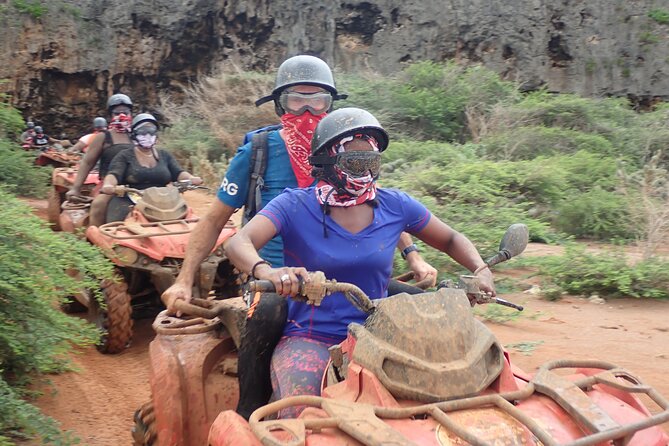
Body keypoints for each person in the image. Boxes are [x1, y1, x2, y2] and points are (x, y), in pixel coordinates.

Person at [161, 55, 437, 420]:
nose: (308, 110)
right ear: (280, 104)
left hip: (345, 278)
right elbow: (215, 221)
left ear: (331, 104)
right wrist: (184, 280)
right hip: (277, 280)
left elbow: (377, 207)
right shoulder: (258, 152)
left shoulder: (347, 151)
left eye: (317, 100)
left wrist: (413, 254)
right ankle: (252, 413)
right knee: (267, 315)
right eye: (297, 99)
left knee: (424, 306)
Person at [222, 108, 496, 418]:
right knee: (304, 415)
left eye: (371, 161)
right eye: (353, 161)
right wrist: (267, 270)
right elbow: (238, 242)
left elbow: (451, 239)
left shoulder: (395, 204)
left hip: (383, 338)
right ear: (327, 160)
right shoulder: (294, 204)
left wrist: (481, 269)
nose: (363, 170)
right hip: (312, 339)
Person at [100, 113, 202, 223]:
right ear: (134, 135)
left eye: (151, 132)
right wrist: (109, 185)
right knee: (117, 225)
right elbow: (114, 174)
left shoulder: (164, 155)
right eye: (143, 132)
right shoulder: (124, 156)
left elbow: (178, 173)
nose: (148, 136)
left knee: (188, 219)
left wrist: (191, 179)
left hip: (165, 200)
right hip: (131, 199)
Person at [66, 94, 135, 226]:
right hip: (110, 186)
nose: (122, 115)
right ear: (110, 115)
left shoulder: (138, 136)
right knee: (98, 205)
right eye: (117, 113)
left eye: (125, 112)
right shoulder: (103, 137)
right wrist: (76, 188)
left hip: (137, 186)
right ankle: (94, 239)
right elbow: (87, 162)